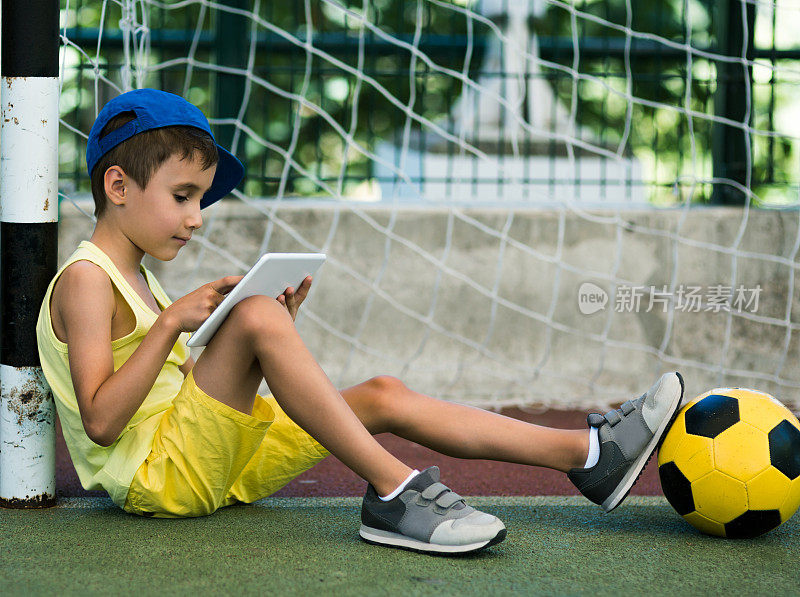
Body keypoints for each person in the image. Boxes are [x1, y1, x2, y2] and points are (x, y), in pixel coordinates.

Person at [36, 88, 685, 556]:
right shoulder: (89, 279)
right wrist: (176, 324)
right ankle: (394, 490)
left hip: (204, 458)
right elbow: (101, 419)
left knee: (381, 392)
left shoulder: (140, 277)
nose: (198, 216)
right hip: (162, 479)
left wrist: (262, 341)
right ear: (117, 186)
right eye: (183, 197)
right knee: (256, 316)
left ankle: (589, 455)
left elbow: (175, 396)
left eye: (201, 198)